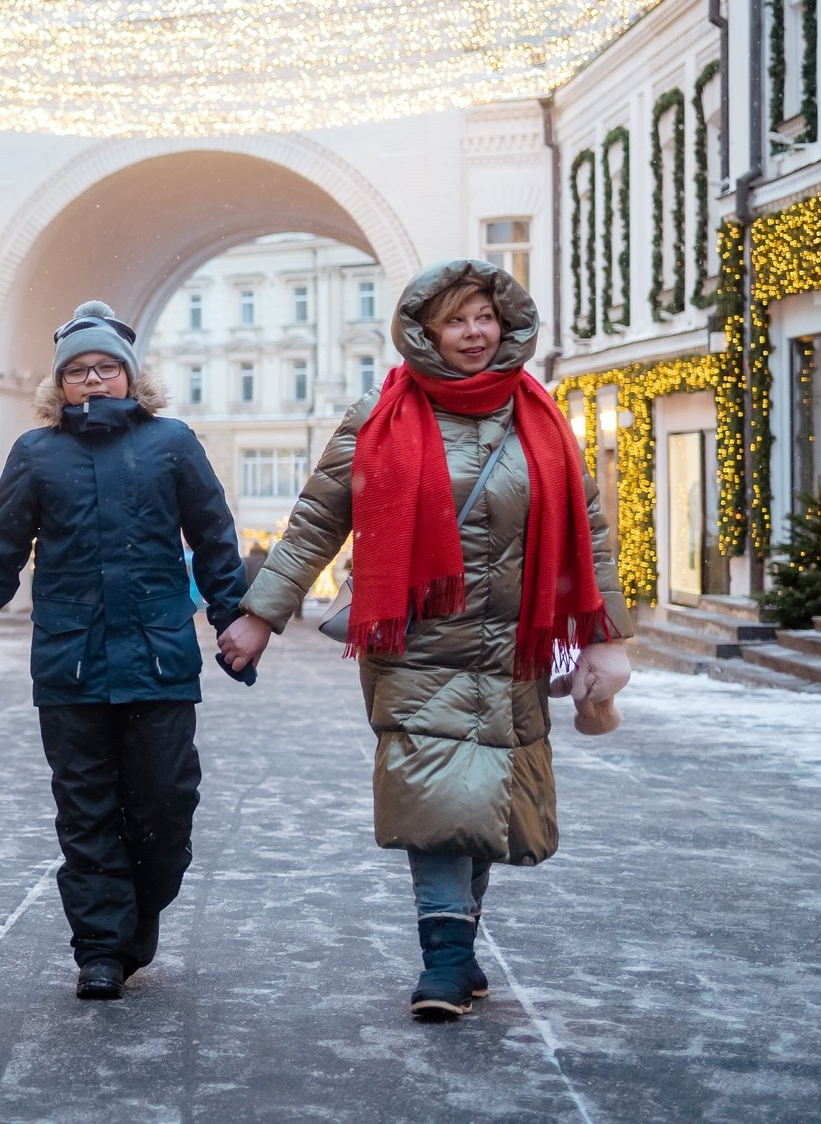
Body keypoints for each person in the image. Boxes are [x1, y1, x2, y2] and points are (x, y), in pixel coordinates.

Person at [216, 261, 634, 1021]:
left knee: (484, 805)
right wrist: (260, 615)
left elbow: (590, 532)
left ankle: (460, 945)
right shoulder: (377, 415)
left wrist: (605, 636)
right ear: (425, 331)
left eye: (485, 318)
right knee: (438, 796)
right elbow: (315, 521)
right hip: (414, 643)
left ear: (504, 324)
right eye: (456, 320)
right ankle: (443, 960)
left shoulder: (540, 417)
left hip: (514, 648)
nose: (474, 334)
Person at [0, 300, 254, 1001]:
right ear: (59, 385)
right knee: (85, 809)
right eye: (78, 371)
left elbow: (215, 538)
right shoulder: (37, 453)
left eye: (106, 368)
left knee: (165, 804)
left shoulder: (173, 443)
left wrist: (235, 619)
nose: (93, 380)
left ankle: (137, 915)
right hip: (72, 665)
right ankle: (99, 948)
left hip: (158, 662)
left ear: (130, 375)